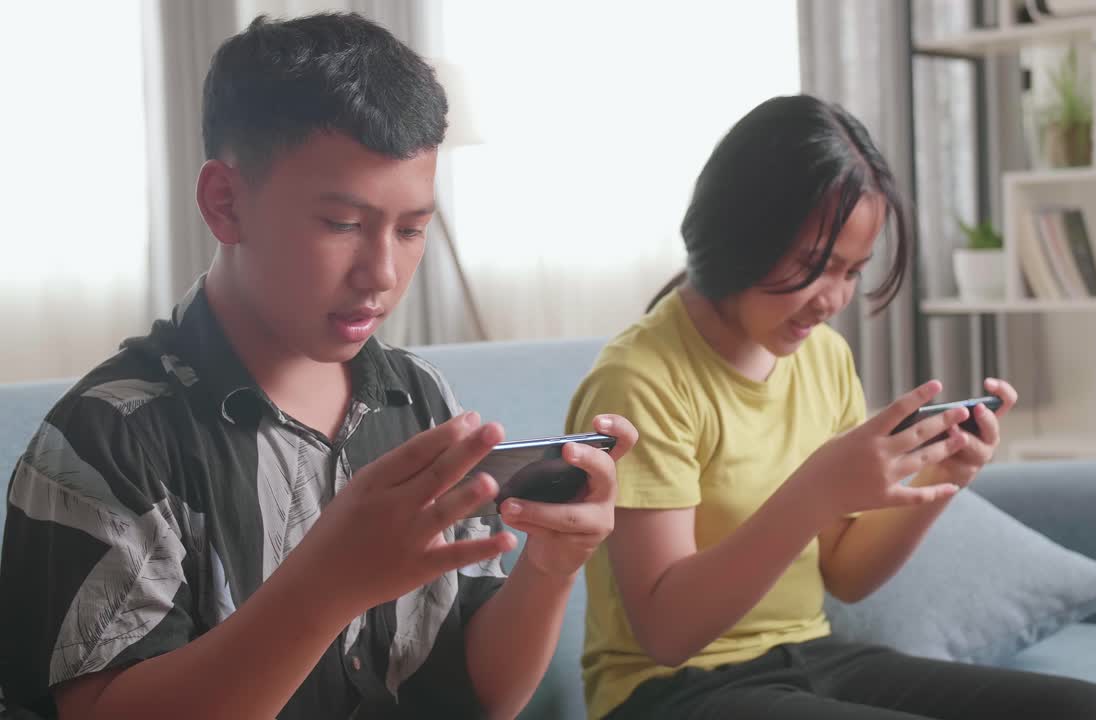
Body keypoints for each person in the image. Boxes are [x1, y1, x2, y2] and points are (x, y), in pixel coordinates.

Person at [0, 13, 635, 720]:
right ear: (225, 202)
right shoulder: (107, 440)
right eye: (341, 224)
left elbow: (481, 695)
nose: (383, 273)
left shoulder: (416, 398)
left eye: (412, 228)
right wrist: (328, 586)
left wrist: (550, 569)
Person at [565, 94, 1096, 720]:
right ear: (742, 234)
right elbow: (666, 632)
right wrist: (816, 491)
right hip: (670, 692)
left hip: (812, 658)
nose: (833, 298)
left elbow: (846, 574)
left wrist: (943, 475)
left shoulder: (824, 359)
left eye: (852, 272)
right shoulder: (640, 380)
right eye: (816, 267)